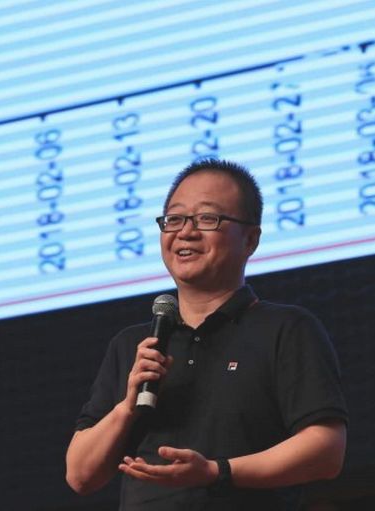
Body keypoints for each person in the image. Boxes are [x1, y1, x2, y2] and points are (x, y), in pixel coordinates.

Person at [66, 158, 348, 510]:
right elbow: (80, 475)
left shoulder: (286, 328)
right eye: (174, 219)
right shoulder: (134, 345)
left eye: (207, 218)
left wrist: (217, 472)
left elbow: (326, 451)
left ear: (250, 239)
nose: (186, 232)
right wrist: (127, 407)